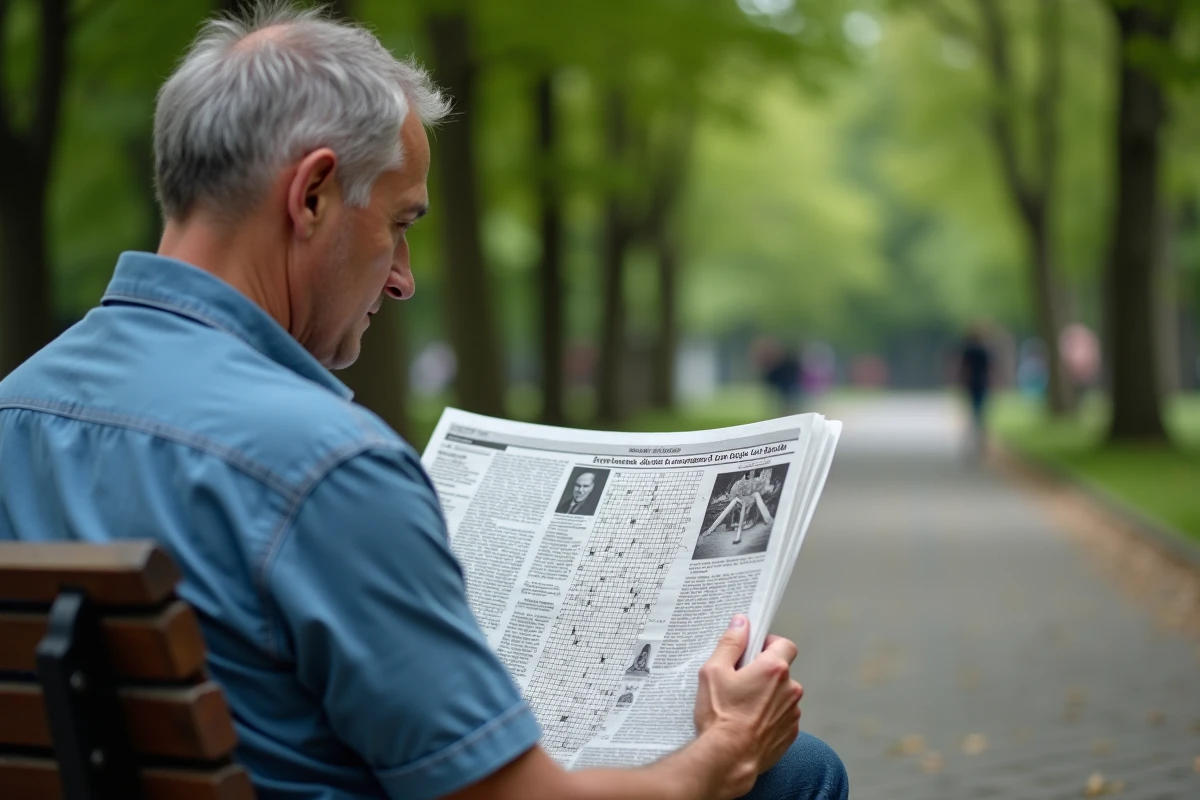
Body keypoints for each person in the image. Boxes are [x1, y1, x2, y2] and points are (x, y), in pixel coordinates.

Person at [0, 4, 846, 800]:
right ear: (314, 195)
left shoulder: (14, 407)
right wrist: (722, 753)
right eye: (401, 223)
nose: (403, 278)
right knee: (793, 771)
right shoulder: (321, 465)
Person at [959, 324, 993, 455]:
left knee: (973, 413)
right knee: (980, 413)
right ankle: (980, 443)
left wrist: (961, 381)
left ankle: (971, 442)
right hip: (982, 384)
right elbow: (991, 368)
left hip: (971, 384)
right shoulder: (983, 350)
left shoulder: (968, 349)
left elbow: (963, 368)